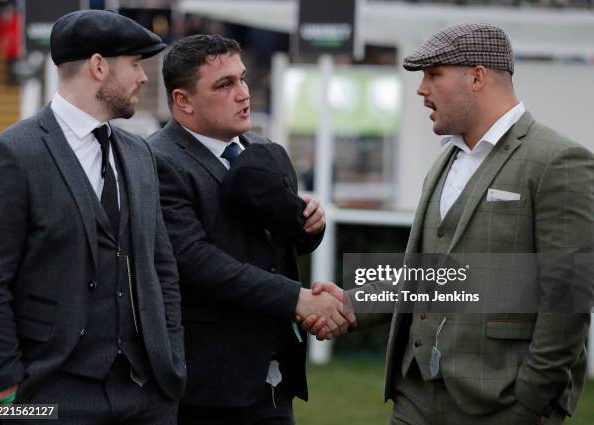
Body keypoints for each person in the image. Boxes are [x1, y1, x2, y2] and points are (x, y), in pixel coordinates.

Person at [302, 23, 594, 425]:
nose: (422, 89)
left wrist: (529, 401)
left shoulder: (559, 161)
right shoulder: (445, 161)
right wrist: (351, 304)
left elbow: (568, 298)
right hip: (415, 396)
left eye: (433, 74)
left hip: (503, 403)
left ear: (477, 76)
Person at [0, 10, 186, 424]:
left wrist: (172, 359)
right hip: (47, 393)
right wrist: (7, 385)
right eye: (134, 65)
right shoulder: (12, 155)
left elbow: (161, 266)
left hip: (145, 394)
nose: (144, 78)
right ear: (98, 66)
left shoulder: (139, 153)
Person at [148, 34, 355, 425]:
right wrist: (298, 299)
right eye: (224, 85)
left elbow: (281, 247)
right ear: (183, 100)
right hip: (205, 384)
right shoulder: (157, 160)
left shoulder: (266, 150)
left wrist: (311, 223)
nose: (243, 93)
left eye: (242, 79)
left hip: (275, 379)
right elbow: (196, 262)